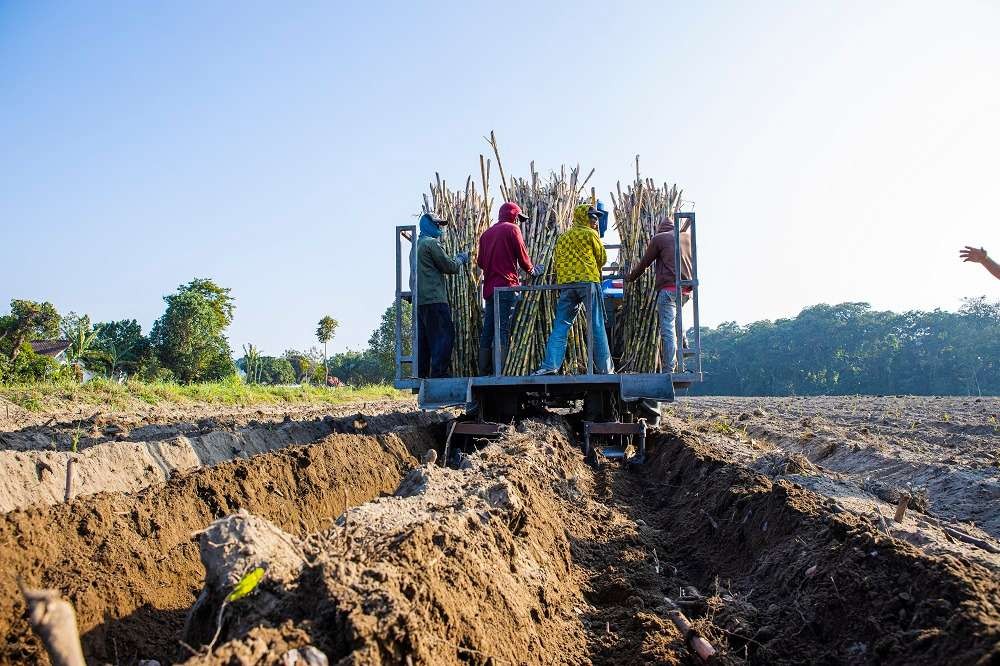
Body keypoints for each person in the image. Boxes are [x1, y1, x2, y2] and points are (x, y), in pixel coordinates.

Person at [533, 204, 613, 375]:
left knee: (561, 324)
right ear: (583, 217)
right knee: (596, 324)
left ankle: (550, 365)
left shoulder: (563, 237)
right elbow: (603, 258)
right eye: (592, 217)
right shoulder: (590, 234)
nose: (595, 220)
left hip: (567, 285)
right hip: (588, 283)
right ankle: (606, 369)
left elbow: (557, 260)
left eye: (596, 217)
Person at [476, 201, 543, 374]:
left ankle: (484, 370)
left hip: (490, 290)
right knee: (503, 328)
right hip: (506, 287)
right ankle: (501, 371)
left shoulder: (486, 235)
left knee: (489, 328)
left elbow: (481, 263)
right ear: (513, 215)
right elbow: (522, 255)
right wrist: (532, 270)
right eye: (517, 217)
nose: (518, 221)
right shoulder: (512, 230)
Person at [625, 216, 693, 372]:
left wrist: (630, 277)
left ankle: (670, 367)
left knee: (668, 329)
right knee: (677, 319)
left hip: (668, 289)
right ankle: (684, 341)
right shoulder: (687, 237)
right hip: (686, 290)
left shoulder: (659, 239)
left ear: (660, 228)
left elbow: (645, 263)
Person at [415, 212, 468, 377]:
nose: (439, 227)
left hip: (421, 300)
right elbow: (449, 266)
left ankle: (422, 374)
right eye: (437, 224)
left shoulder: (416, 246)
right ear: (428, 225)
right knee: (445, 335)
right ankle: (439, 373)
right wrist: (460, 258)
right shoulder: (431, 244)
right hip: (434, 298)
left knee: (425, 340)